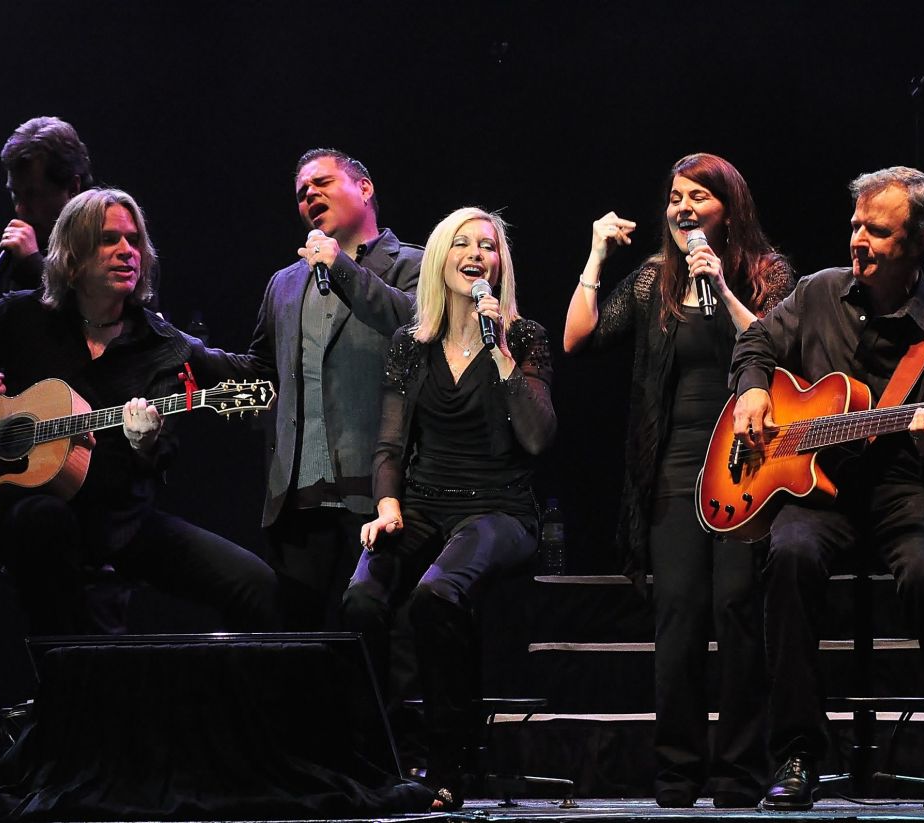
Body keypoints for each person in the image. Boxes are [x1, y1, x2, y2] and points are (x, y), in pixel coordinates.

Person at [729, 166, 924, 811]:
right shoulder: (819, 293)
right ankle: (796, 757)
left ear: (921, 240)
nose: (858, 240)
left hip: (907, 492)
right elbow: (757, 339)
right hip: (820, 492)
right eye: (855, 226)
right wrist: (755, 389)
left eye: (876, 231)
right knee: (789, 557)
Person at [0, 188, 279, 636]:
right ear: (73, 256)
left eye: (133, 240)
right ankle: (66, 674)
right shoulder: (23, 315)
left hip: (122, 523)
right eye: (108, 240)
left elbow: (163, 455)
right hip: (34, 520)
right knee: (42, 519)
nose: (127, 252)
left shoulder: (159, 345)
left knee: (257, 587)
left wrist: (146, 445)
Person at [563, 153, 794, 808]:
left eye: (698, 196)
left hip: (750, 463)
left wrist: (721, 290)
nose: (683, 206)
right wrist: (595, 255)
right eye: (674, 196)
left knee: (737, 611)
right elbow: (579, 338)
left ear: (730, 206)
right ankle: (678, 770)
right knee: (682, 614)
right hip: (673, 467)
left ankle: (740, 770)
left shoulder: (766, 273)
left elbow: (781, 346)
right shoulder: (652, 281)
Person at [340, 207, 556, 811]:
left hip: (500, 509)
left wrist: (504, 351)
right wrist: (386, 503)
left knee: (436, 595)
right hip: (423, 503)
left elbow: (538, 438)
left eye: (487, 246)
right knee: (360, 599)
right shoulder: (412, 345)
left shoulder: (525, 337)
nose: (475, 254)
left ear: (499, 264)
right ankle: (375, 759)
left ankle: (447, 765)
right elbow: (389, 444)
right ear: (439, 260)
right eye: (461, 244)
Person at [248, 148, 421, 631]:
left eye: (321, 183)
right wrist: (186, 347)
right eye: (302, 192)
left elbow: (415, 325)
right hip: (298, 501)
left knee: (377, 640)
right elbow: (259, 368)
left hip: (382, 496)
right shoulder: (283, 284)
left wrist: (341, 265)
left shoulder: (416, 266)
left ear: (365, 189)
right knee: (305, 656)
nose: (308, 195)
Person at [0, 116, 94, 292]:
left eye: (34, 195)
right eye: (15, 195)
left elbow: (91, 311)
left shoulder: (113, 240)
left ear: (72, 188)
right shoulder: (27, 249)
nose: (21, 209)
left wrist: (33, 265)